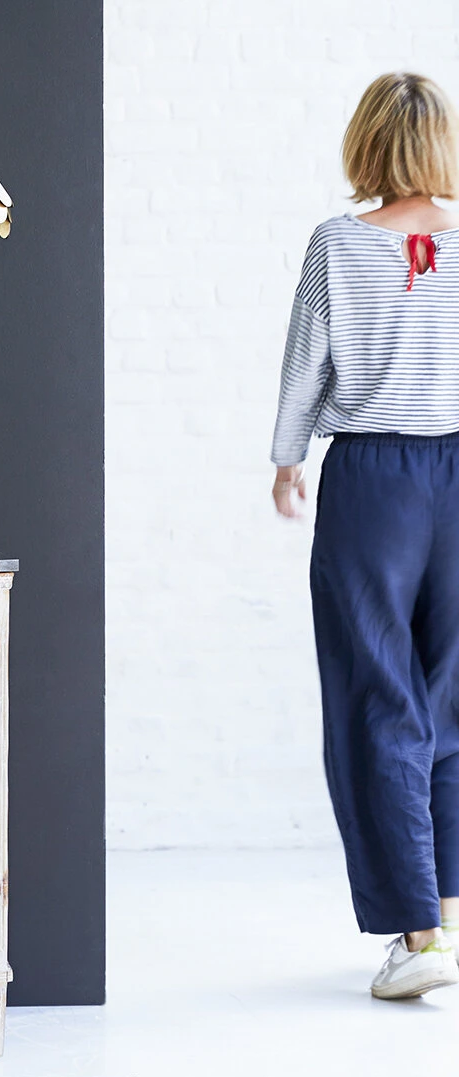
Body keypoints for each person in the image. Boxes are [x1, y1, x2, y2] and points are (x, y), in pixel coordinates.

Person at [272, 72, 459, 1000]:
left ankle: (420, 938)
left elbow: (307, 362)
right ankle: (449, 921)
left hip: (376, 479)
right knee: (448, 697)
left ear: (367, 142)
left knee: (376, 696)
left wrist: (287, 459)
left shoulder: (338, 243)